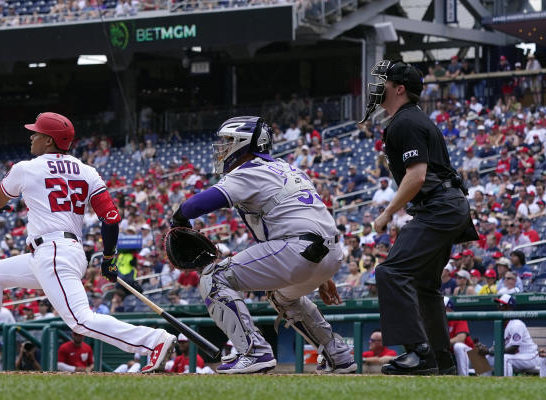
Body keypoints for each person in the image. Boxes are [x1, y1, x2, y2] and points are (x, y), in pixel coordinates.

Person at [0, 112, 175, 372]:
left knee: (79, 321)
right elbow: (111, 218)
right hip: (65, 252)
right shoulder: (87, 171)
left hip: (52, 252)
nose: (32, 136)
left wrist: (5, 200)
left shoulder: (26, 168)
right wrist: (109, 257)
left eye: (37, 133)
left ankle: (153, 341)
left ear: (49, 141)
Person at [167, 116, 355, 374]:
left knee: (214, 276)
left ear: (243, 144)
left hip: (298, 249)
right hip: (328, 251)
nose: (222, 148)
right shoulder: (287, 168)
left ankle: (254, 352)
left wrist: (177, 219)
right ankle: (339, 355)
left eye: (228, 142)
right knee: (281, 295)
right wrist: (323, 275)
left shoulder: (248, 170)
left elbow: (196, 205)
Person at [362, 60, 478, 375]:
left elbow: (416, 176)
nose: (377, 86)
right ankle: (443, 363)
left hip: (439, 206)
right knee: (426, 286)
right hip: (445, 205)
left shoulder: (406, 122)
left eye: (383, 81)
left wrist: (387, 212)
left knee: (390, 273)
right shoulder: (408, 120)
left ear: (399, 89)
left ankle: (419, 353)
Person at [444, 297, 475, 376]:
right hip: (456, 358)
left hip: (474, 356)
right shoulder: (437, 322)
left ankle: (463, 377)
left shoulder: (457, 317)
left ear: (449, 309)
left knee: (458, 346)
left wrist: (442, 343)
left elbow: (461, 338)